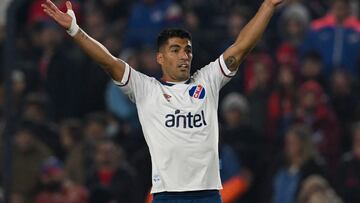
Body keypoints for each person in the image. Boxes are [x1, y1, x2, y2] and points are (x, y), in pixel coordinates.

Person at [41, 0, 284, 202]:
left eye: (187, 50)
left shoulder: (206, 81)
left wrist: (268, 6)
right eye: (175, 50)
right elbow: (108, 61)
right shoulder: (147, 90)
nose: (184, 56)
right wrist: (74, 29)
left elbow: (240, 48)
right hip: (167, 196)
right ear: (159, 57)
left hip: (207, 195)